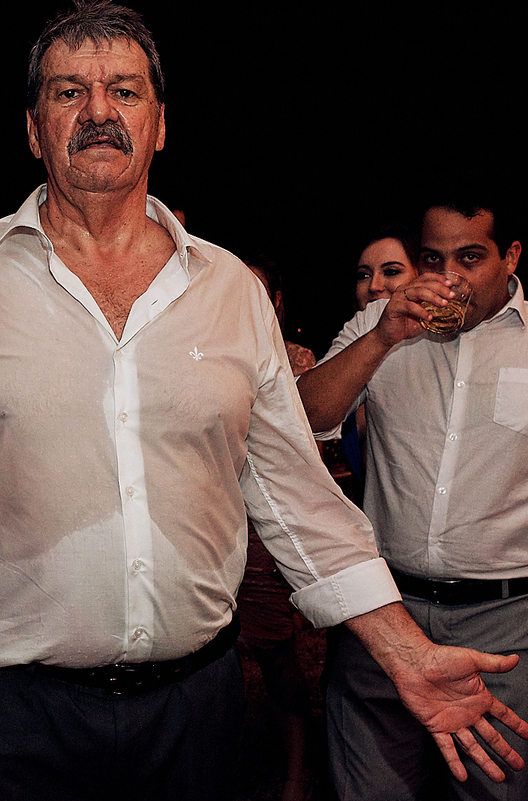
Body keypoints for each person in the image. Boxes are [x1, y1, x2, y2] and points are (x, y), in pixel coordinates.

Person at [0, 6, 528, 799]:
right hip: (2, 716)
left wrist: (404, 652)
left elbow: (298, 500)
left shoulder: (228, 288)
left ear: (160, 124)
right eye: (68, 92)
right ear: (33, 129)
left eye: (125, 90)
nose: (98, 110)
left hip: (193, 711)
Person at [298, 185, 528, 800]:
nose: (449, 277)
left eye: (470, 258)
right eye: (434, 259)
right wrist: (383, 338)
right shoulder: (378, 324)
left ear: (511, 256)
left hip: (516, 629)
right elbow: (309, 416)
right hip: (386, 616)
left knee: (497, 790)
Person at [239, 256, 326, 801]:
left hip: (267, 536)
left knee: (275, 656)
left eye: (259, 291)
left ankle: (297, 769)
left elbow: (305, 457)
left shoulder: (298, 362)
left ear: (275, 302)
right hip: (212, 530)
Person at [342, 224, 419, 482]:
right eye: (364, 275)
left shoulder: (430, 353)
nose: (374, 286)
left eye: (391, 272)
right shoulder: (345, 354)